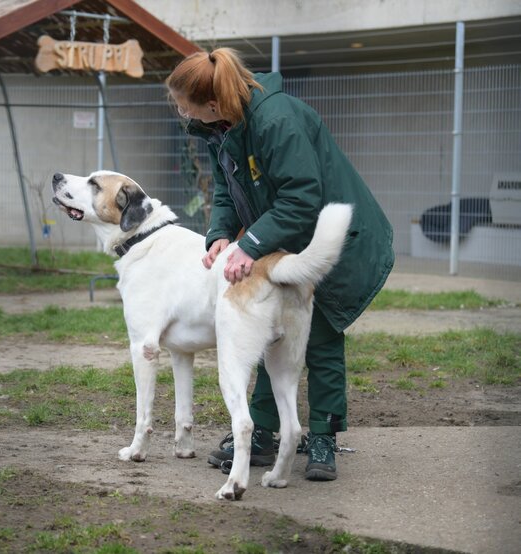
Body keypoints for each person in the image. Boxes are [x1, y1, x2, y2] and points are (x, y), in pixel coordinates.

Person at [165, 48, 394, 481]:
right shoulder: (223, 127)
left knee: (322, 337)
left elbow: (302, 197)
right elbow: (225, 190)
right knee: (270, 336)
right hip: (279, 238)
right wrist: (218, 235)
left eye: (183, 104)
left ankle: (323, 436)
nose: (180, 111)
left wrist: (250, 244)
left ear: (212, 103)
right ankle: (265, 432)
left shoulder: (275, 119)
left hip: (332, 235)